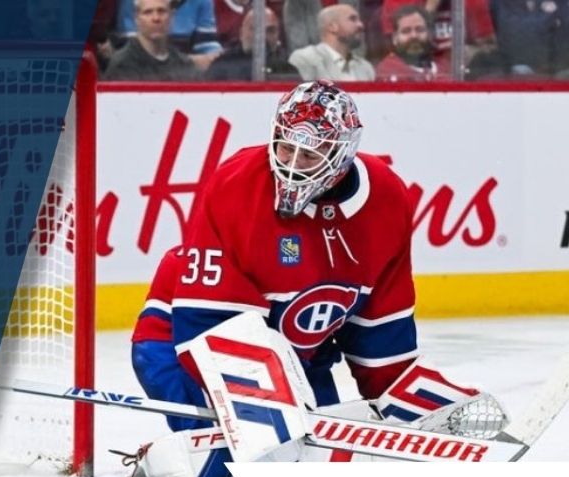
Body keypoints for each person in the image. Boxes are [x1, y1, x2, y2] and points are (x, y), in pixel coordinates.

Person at [172, 79, 418, 409]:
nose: (292, 165)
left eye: (310, 154)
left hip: (299, 359)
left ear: (341, 152)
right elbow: (205, 325)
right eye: (287, 148)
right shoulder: (238, 183)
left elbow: (381, 336)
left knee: (321, 451)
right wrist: (270, 400)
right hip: (185, 341)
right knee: (264, 451)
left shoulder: (386, 197)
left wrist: (401, 403)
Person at [130, 246, 209, 431]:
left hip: (155, 350)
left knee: (202, 431)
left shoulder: (180, 254)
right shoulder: (199, 258)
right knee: (203, 431)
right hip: (163, 352)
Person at [105, 0, 200, 80]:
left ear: (171, 16)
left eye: (161, 11)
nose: (156, 18)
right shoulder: (122, 65)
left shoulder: (184, 64)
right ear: (136, 19)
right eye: (148, 12)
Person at [207, 6, 299, 80]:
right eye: (255, 29)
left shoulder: (287, 69)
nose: (263, 36)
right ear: (241, 33)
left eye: (270, 30)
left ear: (278, 34)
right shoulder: (223, 65)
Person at [288, 4, 375, 81]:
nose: (361, 25)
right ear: (332, 27)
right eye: (352, 19)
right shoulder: (305, 58)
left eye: (359, 20)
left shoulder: (366, 67)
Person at [376, 4, 450, 81]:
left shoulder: (446, 67)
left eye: (419, 29)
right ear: (395, 38)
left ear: (430, 34)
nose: (414, 36)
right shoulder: (386, 71)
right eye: (406, 31)